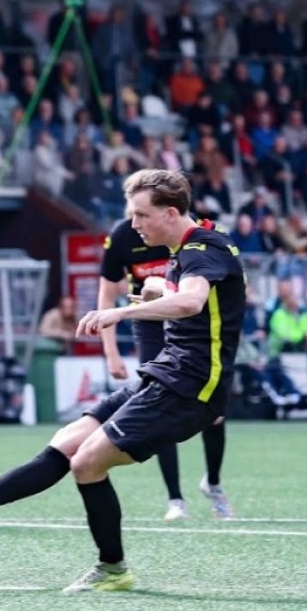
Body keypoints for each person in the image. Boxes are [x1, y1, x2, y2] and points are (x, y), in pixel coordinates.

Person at [0, 170, 246, 592]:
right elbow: (199, 292)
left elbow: (192, 301)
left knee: (87, 463)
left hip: (190, 388)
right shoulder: (192, 247)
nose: (134, 225)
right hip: (164, 375)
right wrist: (157, 286)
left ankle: (113, 568)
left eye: (141, 215)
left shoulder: (201, 248)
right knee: (67, 442)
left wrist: (120, 312)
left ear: (172, 213)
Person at [99, 213, 233, 521]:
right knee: (159, 405)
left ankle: (213, 483)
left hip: (194, 325)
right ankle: (175, 499)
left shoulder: (195, 236)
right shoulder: (122, 235)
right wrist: (111, 352)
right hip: (149, 322)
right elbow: (106, 293)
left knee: (214, 414)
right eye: (133, 209)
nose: (137, 220)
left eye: (143, 211)